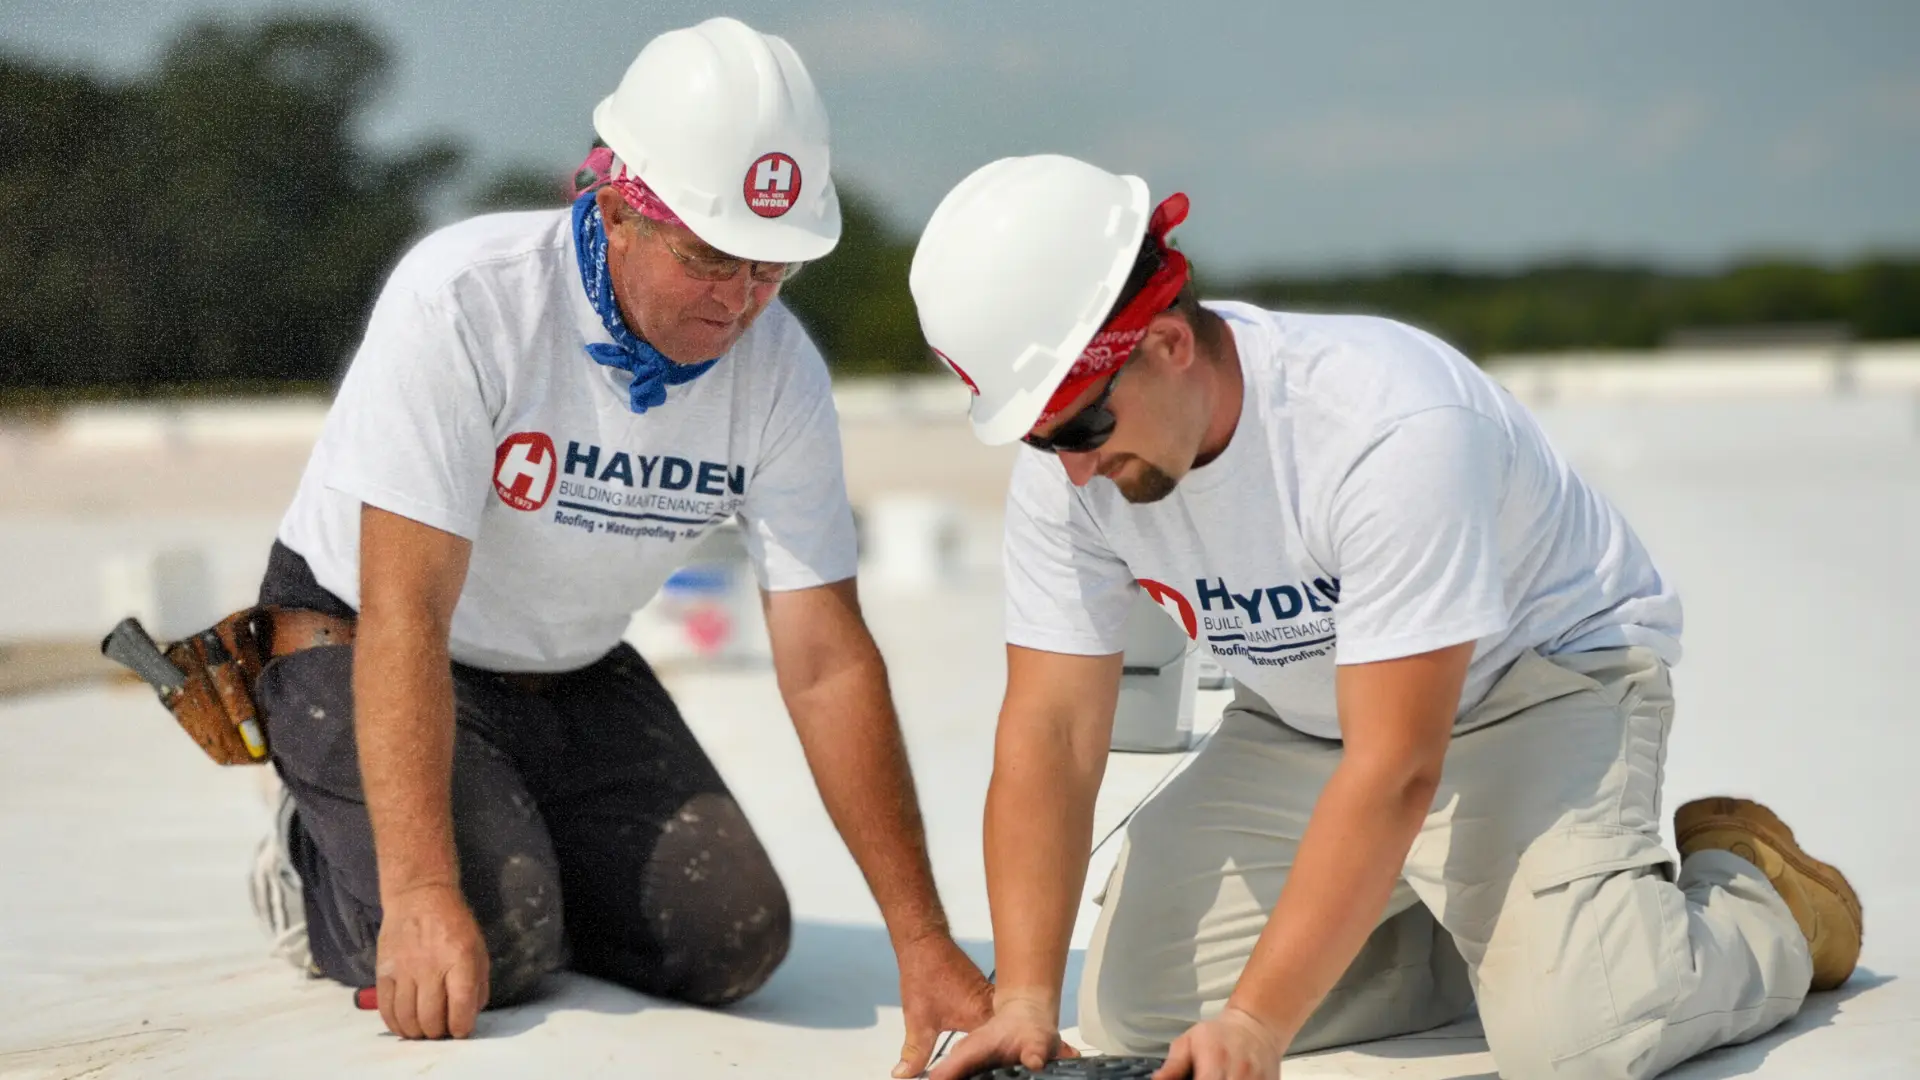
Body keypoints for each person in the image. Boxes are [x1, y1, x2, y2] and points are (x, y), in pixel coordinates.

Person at [906, 154, 1863, 1080]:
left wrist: (1258, 1020)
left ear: (1168, 343)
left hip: (1532, 689)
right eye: (1042, 437)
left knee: (1576, 1046)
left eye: (1083, 424)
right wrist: (1023, 999)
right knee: (1141, 1011)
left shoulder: (1386, 428)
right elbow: (1053, 729)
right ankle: (1491, 935)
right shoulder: (1068, 476)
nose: (1073, 468)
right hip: (1307, 720)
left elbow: (1397, 764)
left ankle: (1755, 899)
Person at [243, 18, 990, 1076]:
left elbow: (826, 658)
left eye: (772, 268)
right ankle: (311, 857)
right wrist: (415, 892)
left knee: (732, 942)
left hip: (567, 665)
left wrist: (922, 941)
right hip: (365, 641)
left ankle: (515, 847)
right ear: (616, 208)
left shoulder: (778, 373)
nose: (739, 302)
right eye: (709, 257)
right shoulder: (470, 300)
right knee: (490, 945)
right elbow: (407, 609)